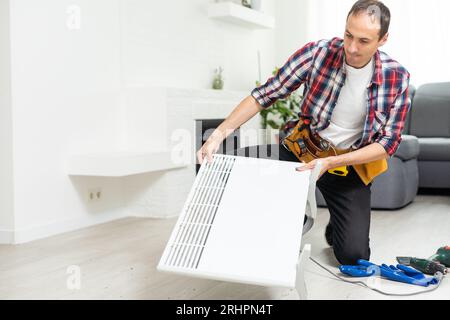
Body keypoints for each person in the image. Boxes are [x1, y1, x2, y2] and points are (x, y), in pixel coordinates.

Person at [196, 0, 410, 265]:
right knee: (227, 167)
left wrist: (331, 162)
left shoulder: (397, 77)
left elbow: (388, 144)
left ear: (383, 39)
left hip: (347, 167)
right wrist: (218, 134)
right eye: (348, 35)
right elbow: (265, 94)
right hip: (303, 153)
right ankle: (280, 216)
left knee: (353, 257)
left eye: (364, 41)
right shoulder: (317, 53)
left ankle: (337, 224)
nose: (352, 48)